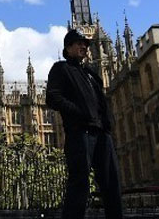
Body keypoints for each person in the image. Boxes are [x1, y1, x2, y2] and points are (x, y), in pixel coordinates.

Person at [47, 28, 123, 219]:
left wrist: (107, 125)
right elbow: (53, 98)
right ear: (68, 47)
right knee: (80, 183)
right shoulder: (61, 69)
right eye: (79, 43)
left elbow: (101, 102)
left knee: (111, 183)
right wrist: (80, 114)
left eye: (86, 44)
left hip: (102, 134)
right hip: (80, 133)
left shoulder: (90, 74)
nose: (84, 46)